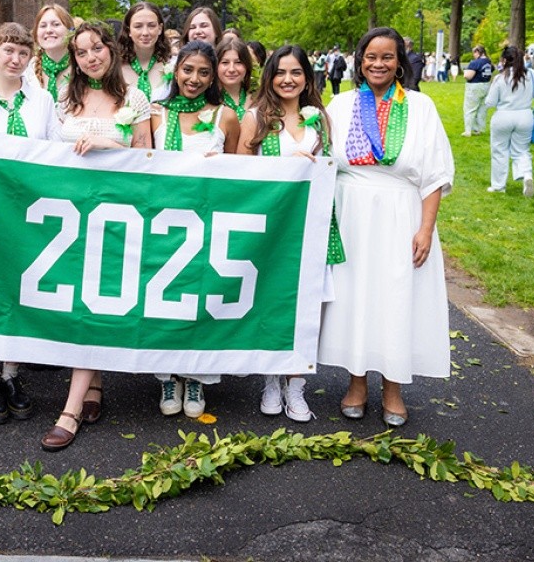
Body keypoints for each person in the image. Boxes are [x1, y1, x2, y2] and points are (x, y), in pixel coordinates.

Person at [319, 26, 454, 427]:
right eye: (371, 57)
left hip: (400, 213)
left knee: (396, 296)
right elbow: (322, 158)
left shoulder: (420, 106)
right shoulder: (340, 105)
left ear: (400, 63)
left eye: (387, 57)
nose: (378, 64)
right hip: (351, 214)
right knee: (355, 296)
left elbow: (434, 174)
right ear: (360, 61)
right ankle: (356, 382)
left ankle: (393, 388)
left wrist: (426, 228)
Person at [41, 22, 152, 451]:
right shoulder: (66, 97)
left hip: (117, 211)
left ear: (111, 48)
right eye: (82, 52)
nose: (91, 57)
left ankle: (69, 410)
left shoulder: (135, 98)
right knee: (76, 301)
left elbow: (149, 158)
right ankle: (94, 384)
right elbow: (48, 153)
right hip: (73, 213)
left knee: (95, 300)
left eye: (97, 48)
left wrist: (108, 146)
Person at [0, 22, 63, 423]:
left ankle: (13, 373)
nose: (15, 60)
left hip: (32, 210)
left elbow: (55, 146)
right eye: (8, 52)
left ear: (29, 57)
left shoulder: (41, 102)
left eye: (23, 53)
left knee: (22, 289)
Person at [238, 45, 339, 422]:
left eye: (296, 72)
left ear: (307, 78)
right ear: (269, 77)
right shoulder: (255, 119)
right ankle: (269, 381)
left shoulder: (321, 120)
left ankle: (296, 387)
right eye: (280, 72)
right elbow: (241, 177)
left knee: (307, 307)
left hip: (311, 229)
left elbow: (333, 170)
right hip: (271, 231)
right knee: (271, 304)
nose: (288, 79)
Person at [150, 41, 239, 418]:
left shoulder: (225, 117)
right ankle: (168, 374)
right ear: (176, 69)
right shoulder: (157, 113)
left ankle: (197, 374)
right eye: (188, 70)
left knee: (200, 300)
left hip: (208, 220)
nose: (195, 79)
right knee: (165, 299)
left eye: (204, 72)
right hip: (164, 220)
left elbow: (242, 173)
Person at [485, 45, 534, 197]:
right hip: (525, 116)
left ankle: (498, 185)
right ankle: (526, 174)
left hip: (503, 116)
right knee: (522, 150)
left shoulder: (500, 78)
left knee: (499, 151)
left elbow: (490, 102)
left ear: (504, 60)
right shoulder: (531, 75)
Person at [117, 1, 173, 102]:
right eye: (138, 26)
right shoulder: (115, 68)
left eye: (151, 26)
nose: (145, 33)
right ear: (129, 30)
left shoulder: (172, 65)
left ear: (160, 28)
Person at [31, 4, 74, 100]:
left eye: (56, 24)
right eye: (43, 26)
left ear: (70, 31)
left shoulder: (81, 67)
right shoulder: (28, 70)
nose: (49, 30)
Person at [215, 34, 254, 121]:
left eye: (238, 62)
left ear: (247, 66)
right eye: (225, 62)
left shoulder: (258, 99)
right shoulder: (208, 99)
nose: (231, 69)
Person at [462, 45, 492, 135]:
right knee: (482, 109)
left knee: (469, 109)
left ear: (478, 52)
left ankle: (468, 131)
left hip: (474, 87)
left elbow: (468, 76)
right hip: (486, 86)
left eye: (474, 53)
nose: (473, 55)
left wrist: (465, 73)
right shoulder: (488, 62)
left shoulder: (475, 63)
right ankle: (479, 129)